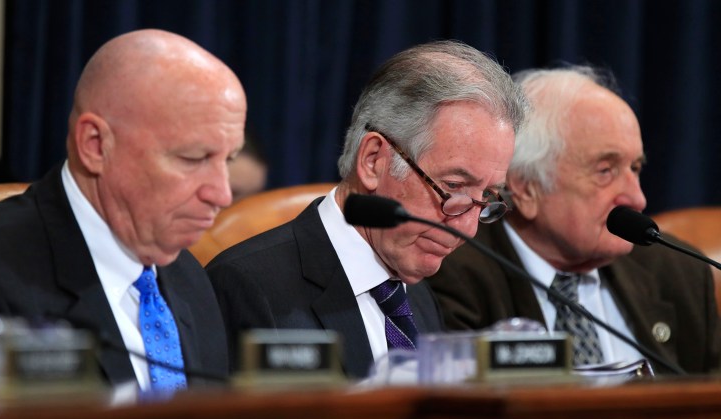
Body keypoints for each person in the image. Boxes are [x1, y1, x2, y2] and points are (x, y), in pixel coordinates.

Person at [206, 40, 527, 379]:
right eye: (453, 187)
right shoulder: (247, 287)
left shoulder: (417, 296)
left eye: (486, 197)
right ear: (374, 160)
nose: (467, 229)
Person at [0, 29, 247, 391]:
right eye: (192, 158)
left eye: (228, 160)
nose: (221, 194)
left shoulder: (190, 277)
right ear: (95, 145)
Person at [428, 66, 721, 373]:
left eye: (634, 168)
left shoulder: (683, 275)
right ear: (527, 188)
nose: (638, 199)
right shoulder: (453, 276)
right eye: (605, 170)